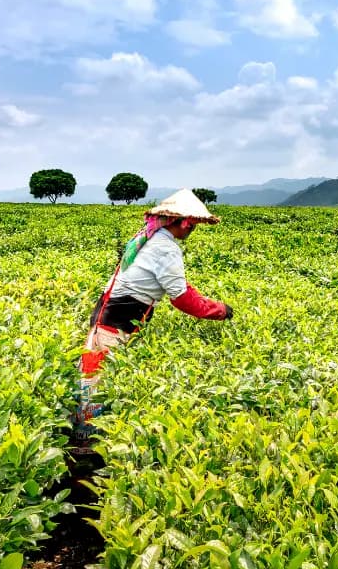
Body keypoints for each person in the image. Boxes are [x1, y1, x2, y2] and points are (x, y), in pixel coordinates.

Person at [73, 189, 233, 446]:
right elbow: (181, 298)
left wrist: (212, 304)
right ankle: (85, 450)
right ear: (181, 223)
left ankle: (90, 443)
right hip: (113, 323)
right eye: (191, 226)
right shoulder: (165, 248)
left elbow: (179, 286)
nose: (192, 231)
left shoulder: (150, 237)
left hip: (112, 318)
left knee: (100, 380)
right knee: (95, 385)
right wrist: (218, 310)